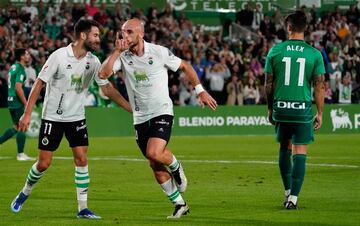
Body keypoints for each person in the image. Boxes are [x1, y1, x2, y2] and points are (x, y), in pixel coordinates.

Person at [11, 19, 131, 219]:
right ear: (83, 35)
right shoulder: (59, 56)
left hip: (76, 118)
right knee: (43, 163)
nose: (97, 39)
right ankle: (24, 193)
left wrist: (130, 109)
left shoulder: (92, 62)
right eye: (95, 35)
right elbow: (39, 84)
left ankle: (82, 208)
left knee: (82, 159)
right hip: (52, 118)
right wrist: (27, 113)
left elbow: (107, 88)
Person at [99, 18, 217, 219]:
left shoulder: (159, 52)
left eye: (129, 32)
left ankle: (176, 166)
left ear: (141, 33)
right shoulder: (122, 56)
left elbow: (186, 66)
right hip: (140, 117)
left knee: (154, 153)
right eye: (122, 32)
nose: (124, 36)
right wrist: (116, 52)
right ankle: (179, 204)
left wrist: (200, 91)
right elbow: (103, 74)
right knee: (154, 163)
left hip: (161, 110)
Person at [264, 11, 325, 210]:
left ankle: (287, 192)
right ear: (305, 28)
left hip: (281, 109)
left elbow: (268, 84)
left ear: (288, 27)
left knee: (284, 147)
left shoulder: (275, 51)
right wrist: (320, 112)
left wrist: (270, 108)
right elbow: (319, 87)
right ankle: (294, 199)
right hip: (302, 110)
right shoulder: (314, 54)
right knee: (300, 151)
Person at [0, 48, 34, 161]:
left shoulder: (13, 67)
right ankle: (20, 154)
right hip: (16, 101)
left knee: (15, 127)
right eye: (26, 54)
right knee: (22, 127)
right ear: (22, 57)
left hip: (10, 100)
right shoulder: (20, 69)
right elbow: (18, 88)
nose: (28, 56)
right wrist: (26, 103)